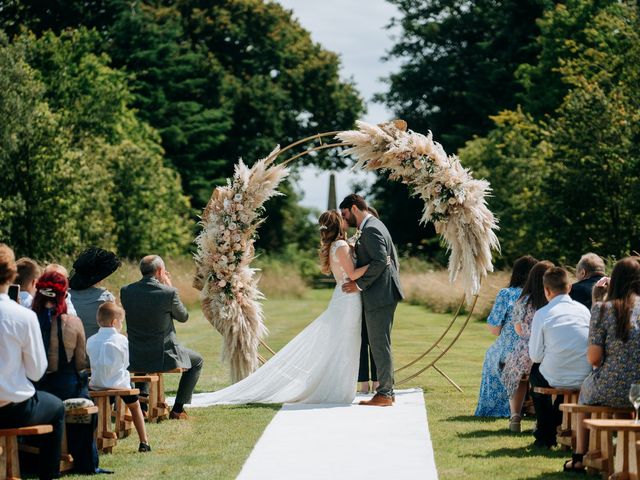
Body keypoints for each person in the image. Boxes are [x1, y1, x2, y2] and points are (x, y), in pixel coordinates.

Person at [184, 210, 370, 405]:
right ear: (339, 225)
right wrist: (377, 263)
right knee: (345, 344)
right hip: (348, 300)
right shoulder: (340, 245)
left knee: (343, 344)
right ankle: (336, 390)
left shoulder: (337, 246)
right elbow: (353, 273)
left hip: (345, 297)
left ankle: (338, 388)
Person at [563, 257, 640, 472]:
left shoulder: (603, 310)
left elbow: (594, 358)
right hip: (638, 391)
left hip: (610, 387)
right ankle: (624, 458)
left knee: (585, 391)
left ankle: (579, 455)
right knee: (628, 404)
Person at [0, 244, 65, 480]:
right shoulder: (23, 316)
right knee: (57, 407)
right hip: (15, 408)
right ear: (11, 275)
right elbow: (37, 372)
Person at [120, 255, 203, 419]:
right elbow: (183, 317)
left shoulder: (126, 291)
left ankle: (142, 406)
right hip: (163, 355)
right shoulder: (169, 292)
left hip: (134, 355)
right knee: (198, 361)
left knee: (143, 351)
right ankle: (178, 409)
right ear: (159, 271)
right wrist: (169, 286)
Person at [341, 194, 403, 406]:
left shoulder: (371, 229)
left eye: (345, 213)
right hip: (384, 292)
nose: (344, 218)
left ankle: (384, 394)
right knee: (381, 343)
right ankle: (388, 391)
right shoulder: (375, 225)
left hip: (380, 295)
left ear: (354, 208)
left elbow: (380, 261)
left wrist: (359, 285)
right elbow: (390, 260)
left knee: (379, 345)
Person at [528, 267, 591, 448]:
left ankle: (545, 434)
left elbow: (535, 355)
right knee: (561, 383)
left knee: (536, 375)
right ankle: (552, 426)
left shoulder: (542, 314)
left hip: (555, 375)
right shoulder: (584, 311)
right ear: (569, 287)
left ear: (546, 291)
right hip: (584, 374)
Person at [474, 255, 537, 417]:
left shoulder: (507, 294)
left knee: (492, 356)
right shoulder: (542, 296)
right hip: (536, 350)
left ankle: (500, 409)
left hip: (509, 349)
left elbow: (494, 329)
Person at [87, 302, 151, 452]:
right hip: (119, 384)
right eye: (121, 322)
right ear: (114, 322)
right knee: (135, 407)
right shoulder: (121, 339)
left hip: (97, 384)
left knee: (102, 404)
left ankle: (98, 435)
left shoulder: (91, 340)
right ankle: (144, 441)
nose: (122, 324)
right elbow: (126, 363)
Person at [501, 260, 553, 432]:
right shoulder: (551, 302)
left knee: (516, 376)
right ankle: (541, 418)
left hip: (525, 351)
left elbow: (518, 329)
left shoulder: (522, 301)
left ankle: (515, 415)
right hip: (547, 351)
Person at [32, 271, 89, 400]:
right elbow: (80, 363)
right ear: (63, 294)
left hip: (37, 390)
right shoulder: (73, 322)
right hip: (66, 389)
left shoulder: (28, 319)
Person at [69, 247, 121, 339]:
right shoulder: (105, 298)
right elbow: (114, 330)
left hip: (70, 350)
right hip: (96, 350)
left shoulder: (65, 296)